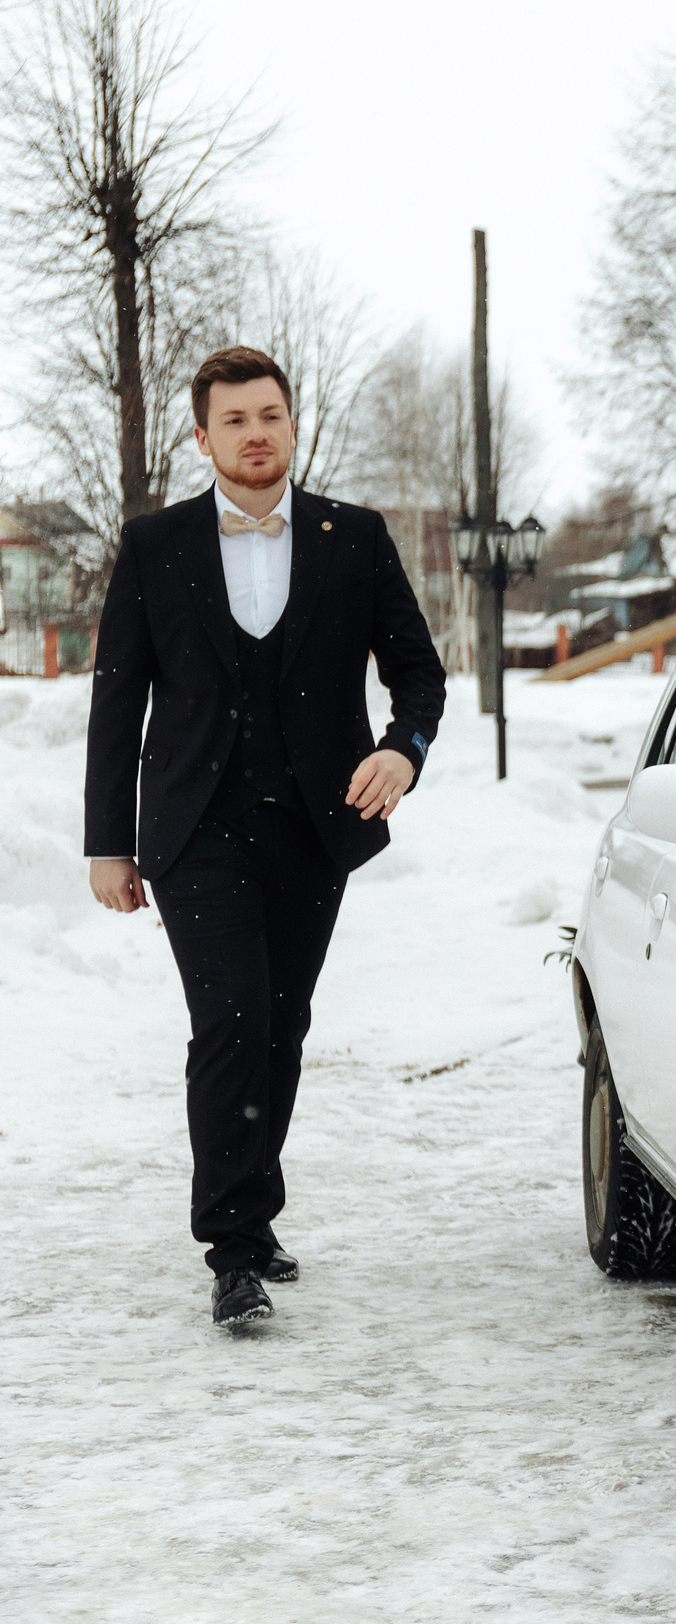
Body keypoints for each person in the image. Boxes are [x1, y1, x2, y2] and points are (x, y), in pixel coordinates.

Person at [84, 345, 446, 1329]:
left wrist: (402, 752)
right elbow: (119, 702)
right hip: (194, 828)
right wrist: (105, 842)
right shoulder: (155, 546)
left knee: (281, 1027)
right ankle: (232, 1248)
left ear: (294, 427)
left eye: (272, 416)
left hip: (314, 828)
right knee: (233, 1020)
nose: (257, 433)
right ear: (202, 437)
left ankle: (256, 1206)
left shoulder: (354, 537)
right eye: (236, 419)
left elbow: (419, 674)